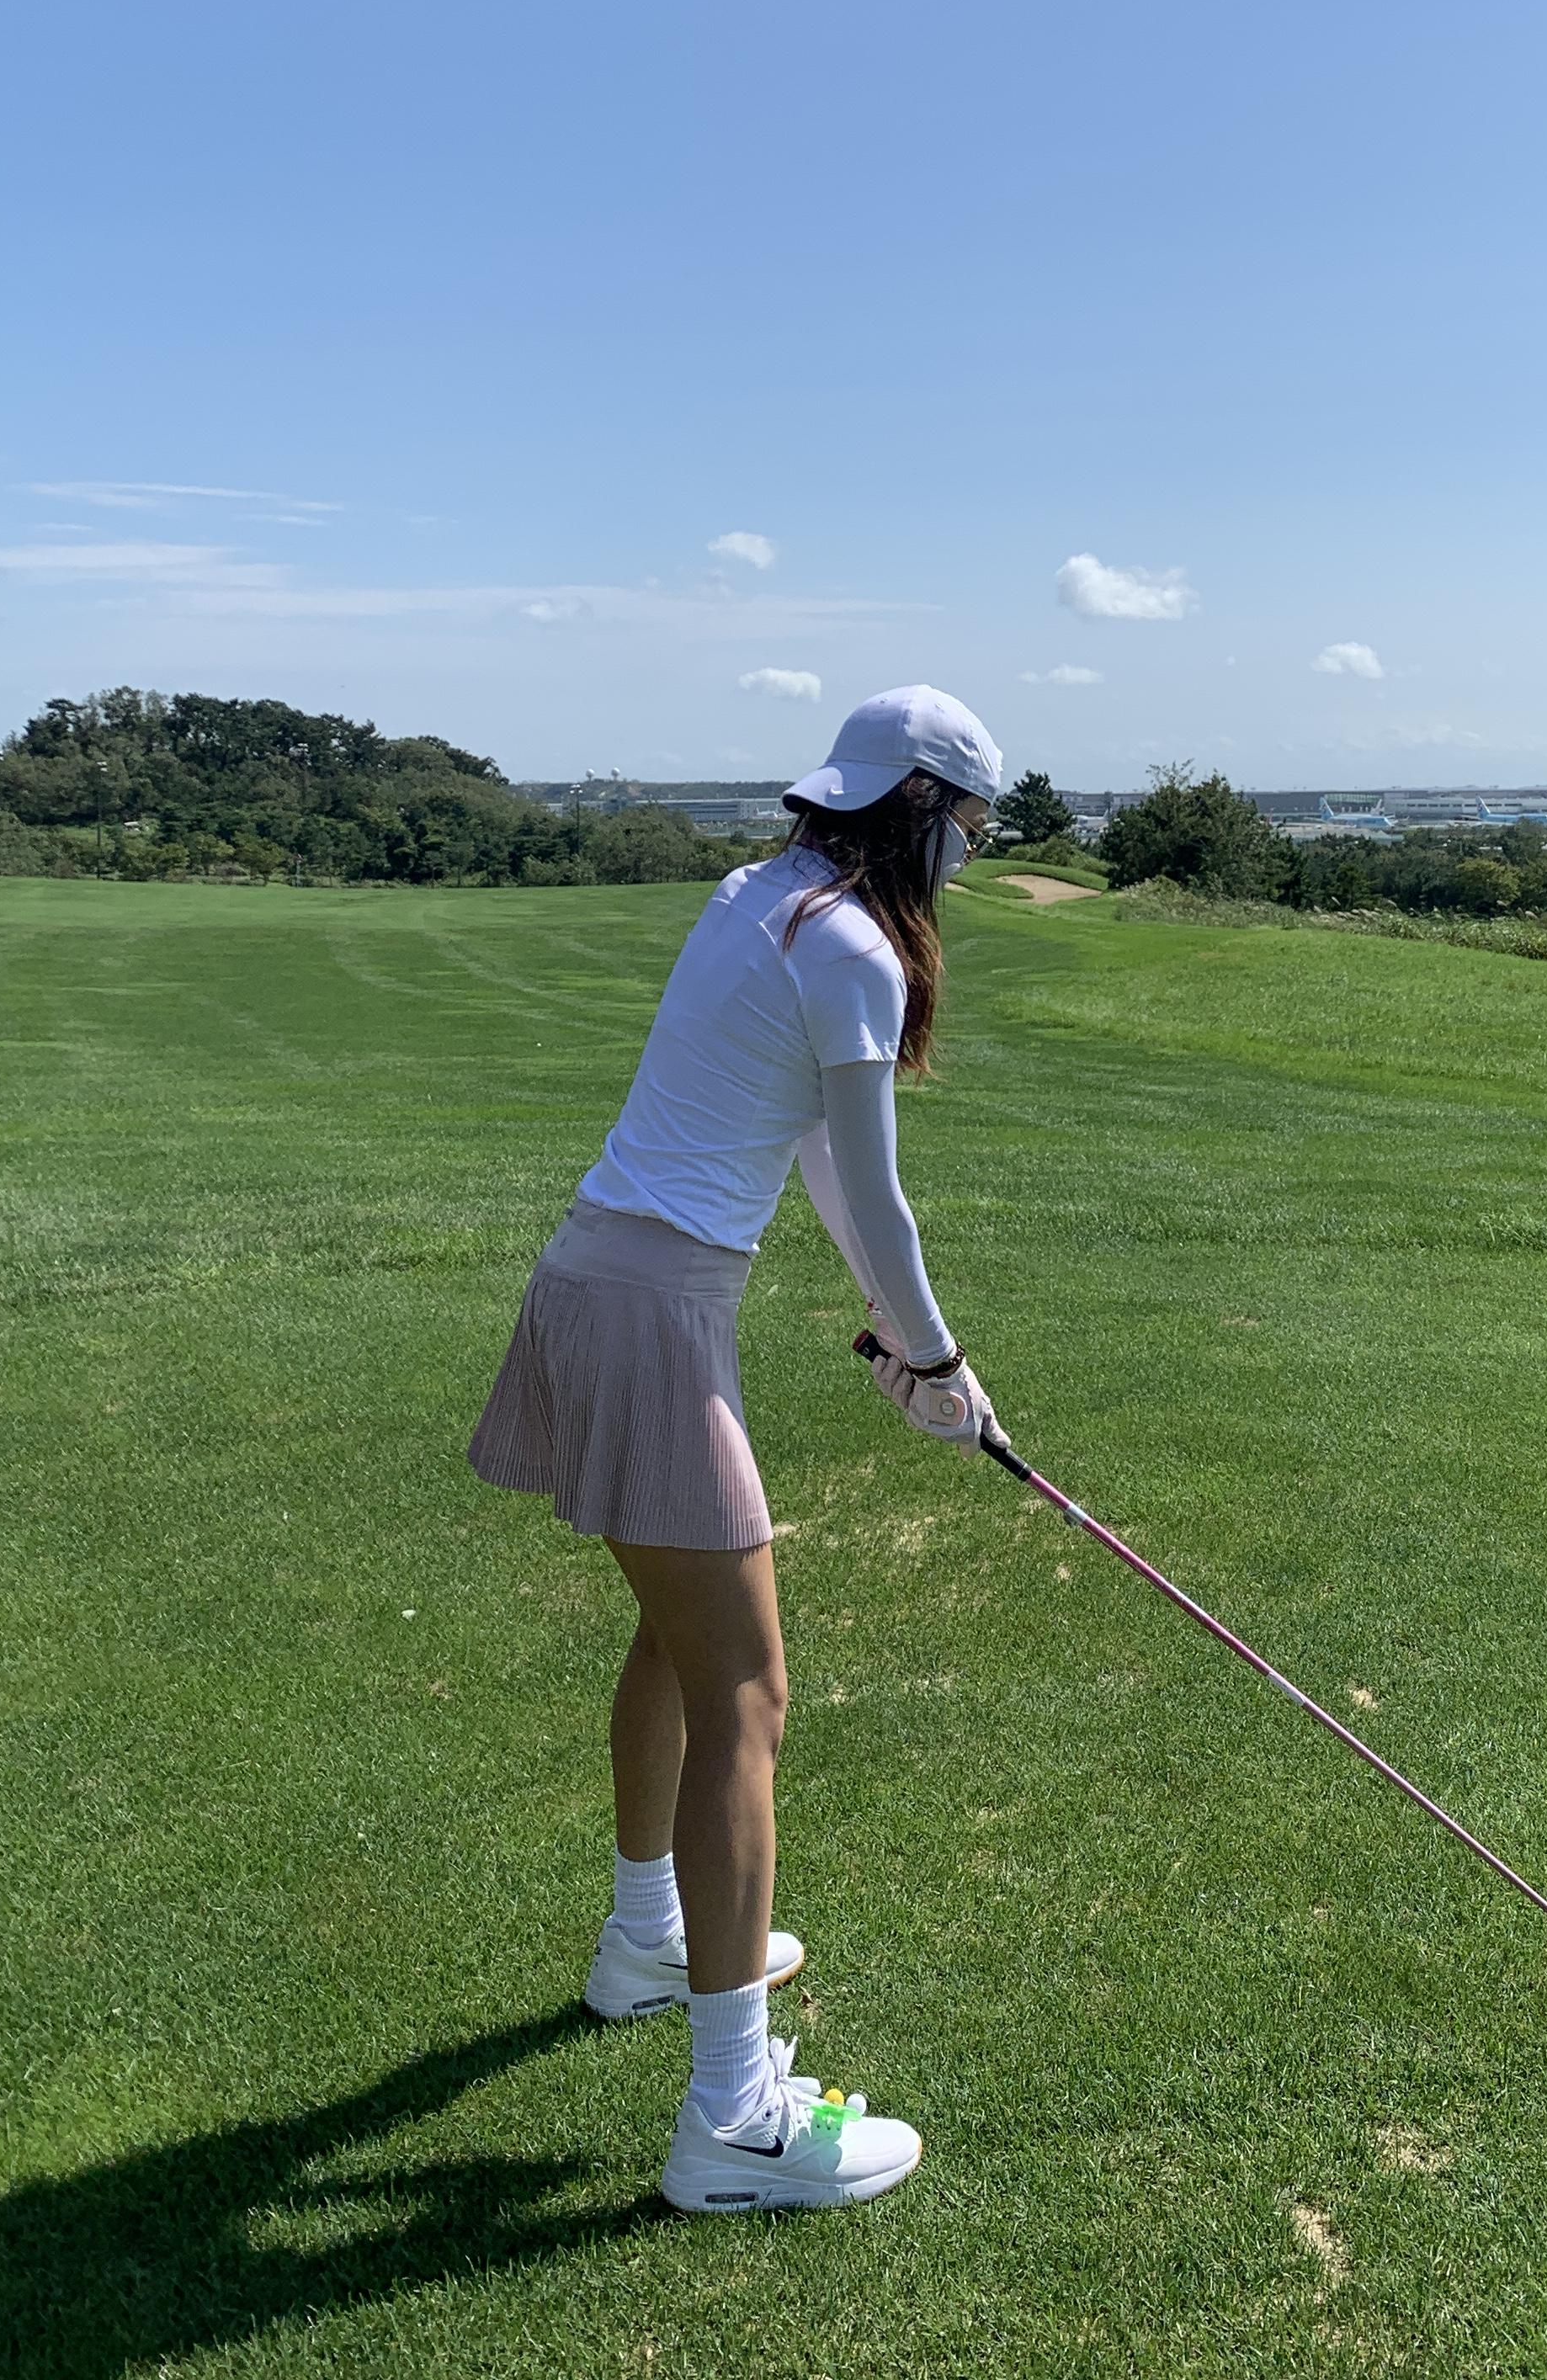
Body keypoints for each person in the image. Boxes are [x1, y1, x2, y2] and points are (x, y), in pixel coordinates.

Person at [466, 684, 1004, 2212]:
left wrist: (912, 1340)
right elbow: (879, 1194)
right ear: (920, 807)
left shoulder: (759, 896)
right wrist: (936, 1358)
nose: (969, 855)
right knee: (749, 1691)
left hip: (601, 1281)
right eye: (968, 826)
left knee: (679, 1639)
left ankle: (649, 1939)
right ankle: (736, 2121)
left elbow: (821, 1152)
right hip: (649, 1313)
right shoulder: (855, 949)